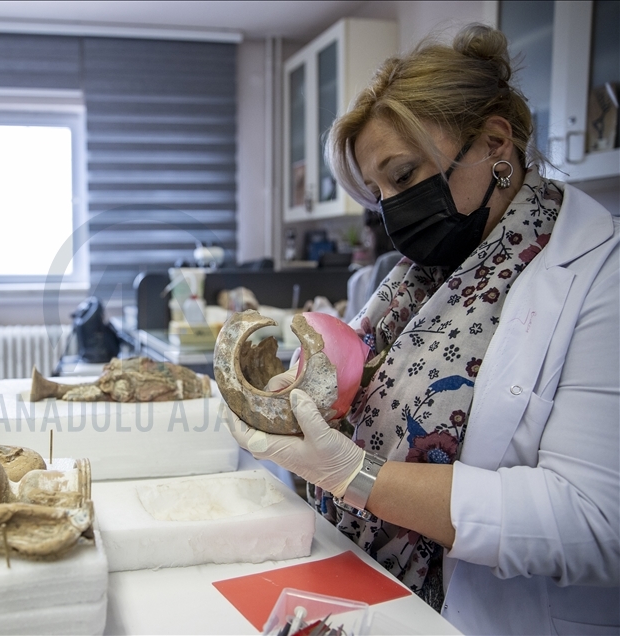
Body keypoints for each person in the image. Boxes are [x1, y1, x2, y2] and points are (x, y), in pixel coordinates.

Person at [226, 24, 619, 635]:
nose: (392, 211)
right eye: (378, 194)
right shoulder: (412, 283)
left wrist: (357, 477)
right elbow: (351, 389)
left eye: (404, 176)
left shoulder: (601, 277)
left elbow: (595, 522)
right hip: (364, 593)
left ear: (495, 142)